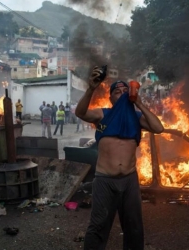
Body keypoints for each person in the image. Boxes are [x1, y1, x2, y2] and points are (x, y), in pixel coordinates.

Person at [75, 67, 164, 250]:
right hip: (105, 180)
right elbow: (81, 113)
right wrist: (91, 89)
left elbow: (158, 128)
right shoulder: (103, 114)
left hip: (129, 180)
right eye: (117, 92)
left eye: (126, 91)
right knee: (98, 225)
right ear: (111, 98)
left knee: (134, 227)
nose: (122, 94)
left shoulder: (137, 117)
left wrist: (139, 103)